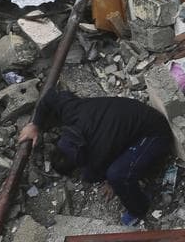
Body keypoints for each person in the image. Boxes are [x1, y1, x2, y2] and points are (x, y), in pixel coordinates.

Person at [19, 90, 173, 226]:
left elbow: (92, 174)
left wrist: (111, 183)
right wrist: (35, 124)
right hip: (138, 114)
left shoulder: (98, 157)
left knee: (117, 175)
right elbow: (51, 96)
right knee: (113, 169)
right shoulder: (72, 112)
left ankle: (139, 208)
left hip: (156, 133)